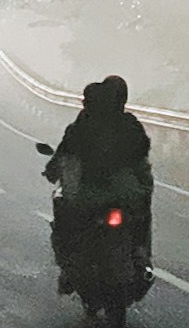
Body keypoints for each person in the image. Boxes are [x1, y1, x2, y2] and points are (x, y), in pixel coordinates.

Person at [42, 76, 153, 281]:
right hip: (123, 195)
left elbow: (65, 153)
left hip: (87, 195)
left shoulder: (82, 125)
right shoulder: (130, 125)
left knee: (63, 211)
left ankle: (67, 263)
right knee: (142, 213)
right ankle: (141, 257)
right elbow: (142, 152)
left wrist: (52, 170)